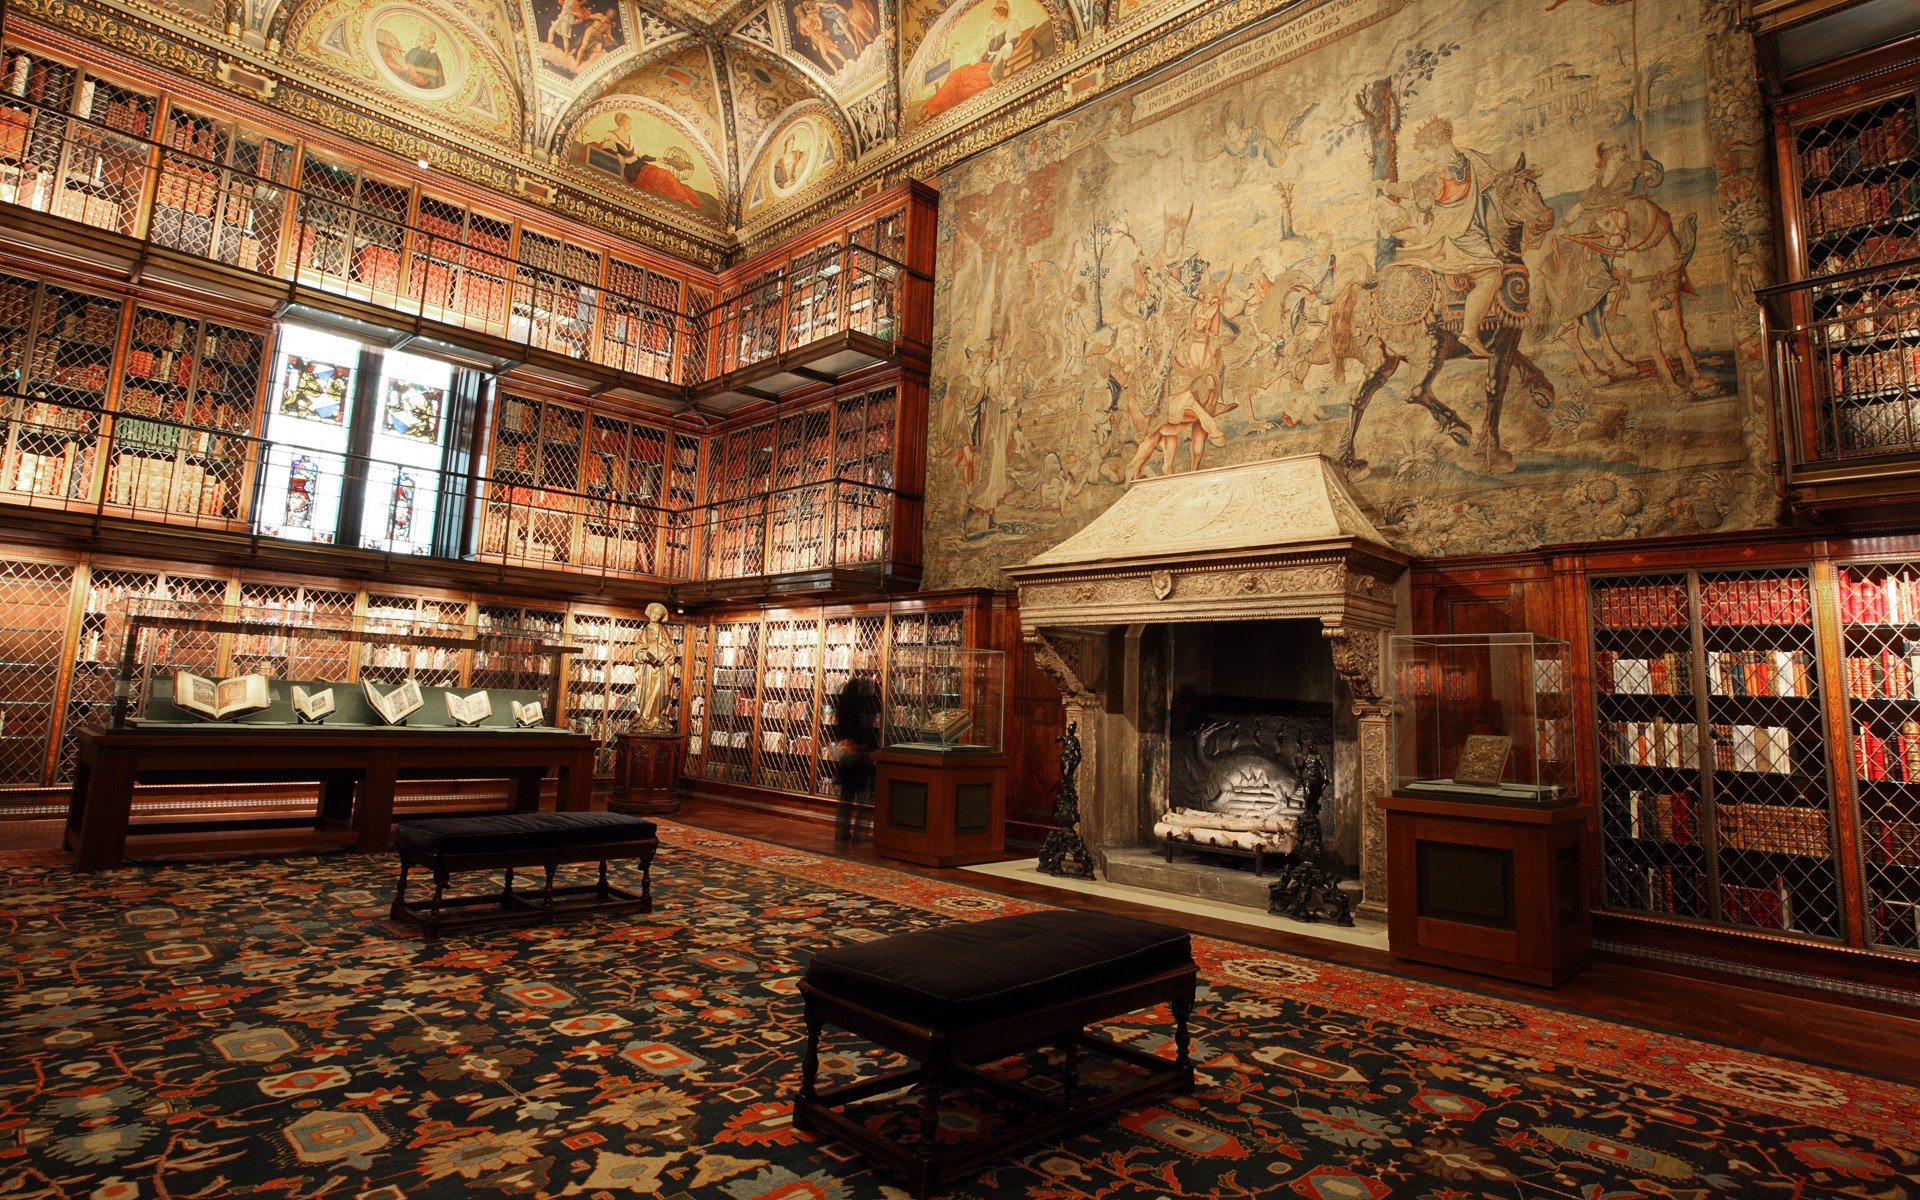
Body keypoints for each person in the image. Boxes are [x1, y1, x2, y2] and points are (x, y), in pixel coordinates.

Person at [831, 668, 879, 842]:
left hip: (845, 754)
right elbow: (863, 732)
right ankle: (860, 833)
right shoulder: (863, 707)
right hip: (859, 755)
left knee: (846, 797)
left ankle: (842, 831)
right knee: (863, 797)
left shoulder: (843, 706)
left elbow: (839, 728)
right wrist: (865, 744)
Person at [632, 602, 675, 732]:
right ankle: (644, 718)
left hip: (660, 668)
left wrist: (662, 657)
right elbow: (638, 647)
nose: (655, 615)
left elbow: (671, 649)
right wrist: (641, 654)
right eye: (653, 613)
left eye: (658, 614)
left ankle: (657, 718)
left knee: (658, 691)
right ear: (650, 613)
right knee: (646, 692)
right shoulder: (645, 630)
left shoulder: (662, 630)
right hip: (648, 668)